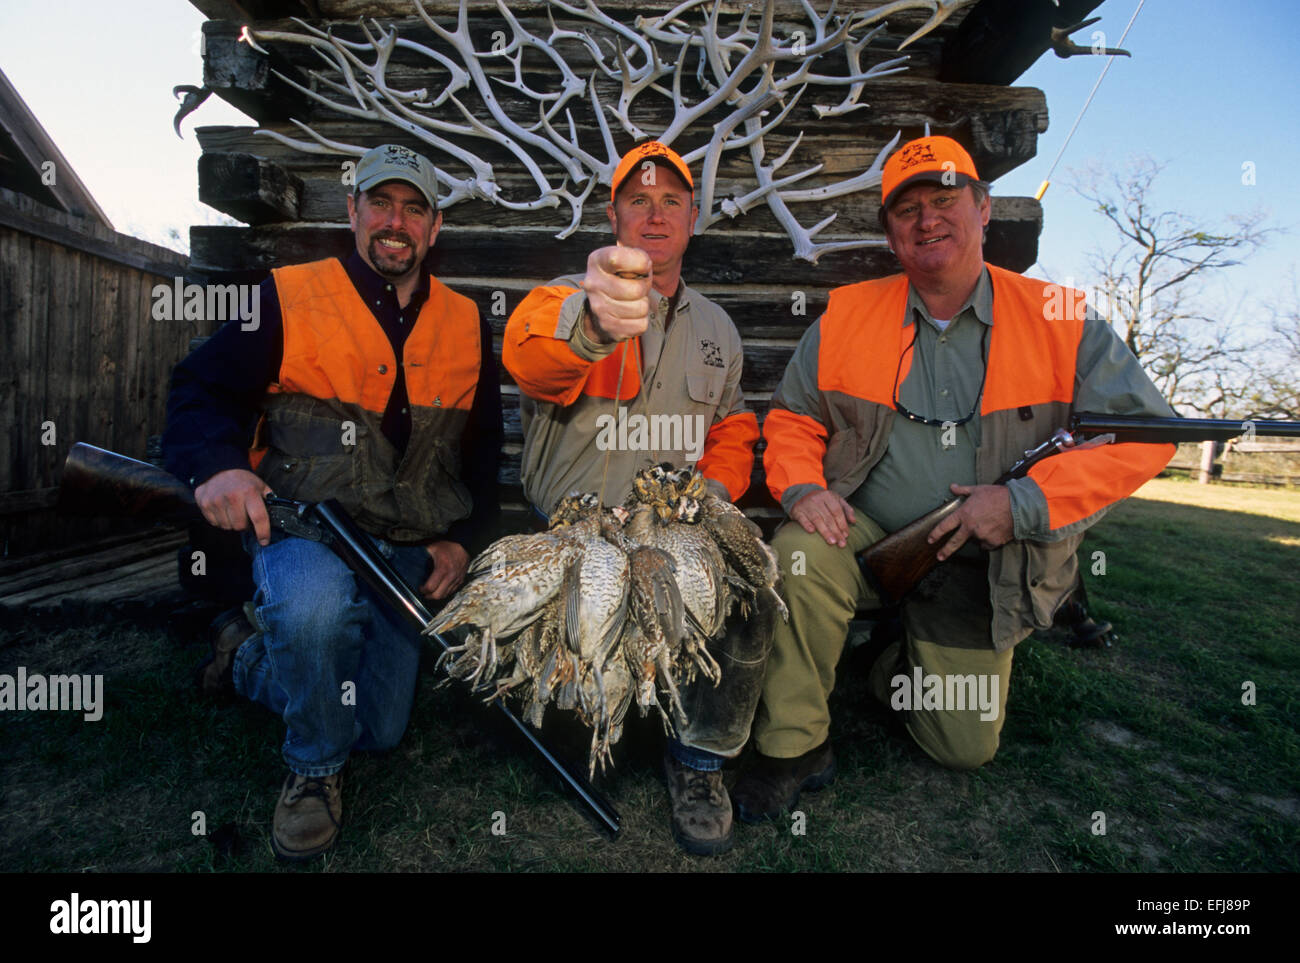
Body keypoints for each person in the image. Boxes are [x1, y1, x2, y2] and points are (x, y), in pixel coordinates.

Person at [731, 135, 1176, 821]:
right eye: (906, 209)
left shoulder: (1060, 313)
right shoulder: (850, 312)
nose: (927, 219)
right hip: (868, 531)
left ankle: (891, 662)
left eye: (945, 200)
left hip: (989, 556)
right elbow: (794, 417)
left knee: (962, 747)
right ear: (891, 233)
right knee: (799, 549)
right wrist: (803, 487)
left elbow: (1146, 437)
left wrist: (1026, 504)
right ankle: (793, 748)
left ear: (984, 208)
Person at [163, 143, 503, 860]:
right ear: (352, 211)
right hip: (302, 528)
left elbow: (481, 453)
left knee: (378, 727)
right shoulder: (288, 295)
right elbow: (199, 389)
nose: (395, 221)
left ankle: (247, 654)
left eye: (414, 208)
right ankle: (313, 771)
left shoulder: (468, 322)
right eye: (380, 202)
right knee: (316, 609)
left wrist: (461, 540)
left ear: (434, 228)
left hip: (403, 544)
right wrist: (220, 466)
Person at [503, 141, 763, 855]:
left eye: (671, 200)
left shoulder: (719, 328)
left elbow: (735, 425)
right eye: (638, 200)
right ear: (612, 214)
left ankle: (701, 760)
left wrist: (713, 496)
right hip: (572, 535)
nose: (655, 213)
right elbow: (528, 357)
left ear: (694, 216)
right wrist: (591, 328)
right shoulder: (562, 297)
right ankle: (585, 712)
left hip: (669, 532)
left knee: (753, 593)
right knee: (569, 703)